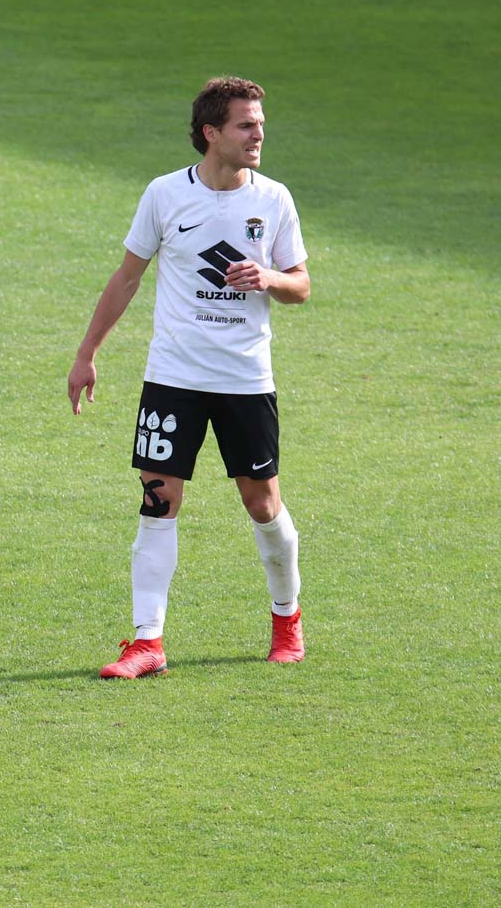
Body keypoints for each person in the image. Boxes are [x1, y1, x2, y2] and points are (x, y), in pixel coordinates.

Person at [67, 77, 310, 679]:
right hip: (173, 376)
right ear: (211, 132)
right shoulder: (164, 195)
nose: (259, 134)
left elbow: (300, 284)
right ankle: (148, 642)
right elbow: (127, 276)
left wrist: (269, 279)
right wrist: (87, 352)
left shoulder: (273, 199)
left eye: (259, 123)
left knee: (261, 504)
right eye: (245, 125)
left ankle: (286, 617)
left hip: (245, 379)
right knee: (158, 501)